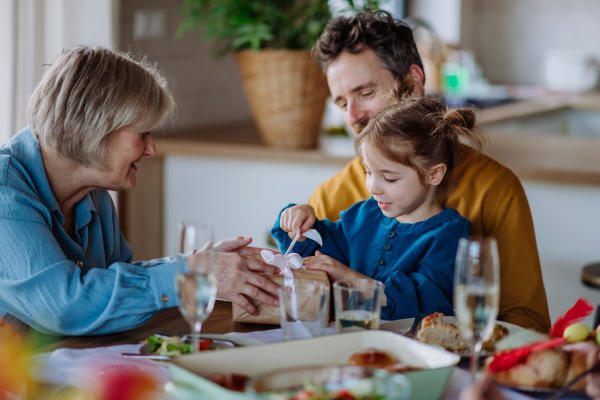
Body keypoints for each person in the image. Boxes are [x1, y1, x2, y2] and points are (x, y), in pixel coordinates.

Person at [0, 46, 280, 336]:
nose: (151, 149)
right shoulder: (4, 192)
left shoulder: (93, 193)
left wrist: (197, 265)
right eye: (142, 133)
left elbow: (112, 290)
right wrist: (188, 273)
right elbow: (65, 307)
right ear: (91, 130)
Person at [307, 10, 550, 331]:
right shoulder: (330, 195)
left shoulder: (496, 187)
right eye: (341, 102)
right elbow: (313, 306)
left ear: (413, 83)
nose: (352, 116)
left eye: (365, 93)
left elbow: (524, 318)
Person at [272, 91, 485, 320]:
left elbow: (425, 303)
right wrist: (303, 225)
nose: (373, 188)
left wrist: (347, 275)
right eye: (368, 172)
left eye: (390, 178)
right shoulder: (364, 216)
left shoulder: (449, 237)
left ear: (434, 174)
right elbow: (319, 250)